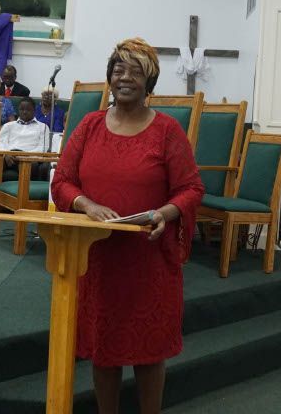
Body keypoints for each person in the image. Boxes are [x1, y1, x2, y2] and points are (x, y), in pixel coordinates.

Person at [50, 38, 204, 414]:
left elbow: (191, 188)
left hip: (147, 260)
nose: (125, 77)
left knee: (149, 351)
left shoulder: (167, 131)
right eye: (119, 69)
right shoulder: (88, 126)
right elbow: (62, 182)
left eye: (136, 71)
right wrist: (87, 205)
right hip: (98, 258)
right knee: (104, 349)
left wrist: (165, 214)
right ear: (109, 78)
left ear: (150, 82)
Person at [0, 97, 50, 213]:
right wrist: (7, 154)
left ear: (34, 111)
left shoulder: (43, 127)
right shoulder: (9, 126)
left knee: (34, 166)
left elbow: (43, 148)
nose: (25, 112)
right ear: (18, 110)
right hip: (8, 157)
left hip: (29, 160)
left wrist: (23, 156)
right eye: (22, 109)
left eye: (28, 109)